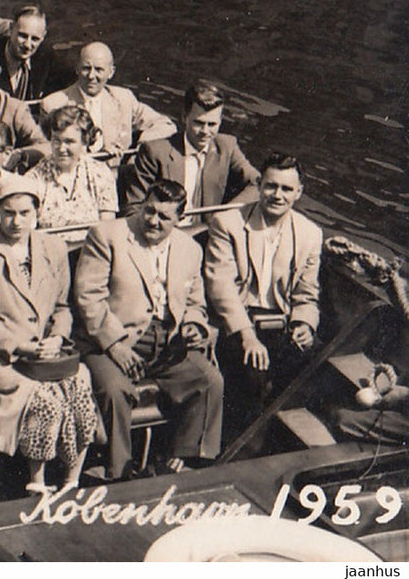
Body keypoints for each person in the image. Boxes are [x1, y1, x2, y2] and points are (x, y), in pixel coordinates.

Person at [0, 175, 97, 492]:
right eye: (9, 213)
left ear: (36, 213)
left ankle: (72, 479)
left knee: (80, 389)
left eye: (25, 213)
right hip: (2, 360)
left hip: (47, 357)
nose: (16, 221)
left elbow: (62, 307)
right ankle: (36, 481)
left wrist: (56, 338)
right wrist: (24, 348)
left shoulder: (53, 247)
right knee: (47, 401)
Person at [74, 179, 224, 480]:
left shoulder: (190, 249)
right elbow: (89, 297)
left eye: (164, 217)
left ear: (179, 219)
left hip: (166, 343)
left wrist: (193, 325)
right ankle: (119, 470)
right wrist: (115, 345)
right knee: (116, 390)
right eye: (149, 211)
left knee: (209, 381)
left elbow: (195, 302)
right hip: (110, 342)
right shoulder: (107, 236)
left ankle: (182, 458)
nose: (153, 221)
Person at [204, 154, 322, 434]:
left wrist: (304, 323)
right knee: (252, 375)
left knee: (317, 367)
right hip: (237, 323)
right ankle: (236, 446)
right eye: (271, 186)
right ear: (259, 186)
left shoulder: (310, 234)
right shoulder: (227, 223)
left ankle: (277, 442)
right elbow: (221, 287)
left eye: (287, 189)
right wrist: (247, 336)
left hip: (281, 324)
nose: (277, 195)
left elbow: (307, 292)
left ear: (299, 193)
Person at [123, 80, 260, 215]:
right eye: (199, 123)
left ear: (220, 121)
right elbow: (133, 207)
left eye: (212, 124)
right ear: (184, 117)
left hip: (211, 230)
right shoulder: (154, 151)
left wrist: (225, 216)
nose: (205, 131)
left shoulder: (227, 146)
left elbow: (258, 183)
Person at [40, 42, 178, 155]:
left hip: (117, 177)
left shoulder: (123, 98)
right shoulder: (54, 104)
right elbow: (47, 149)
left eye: (99, 70)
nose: (91, 76)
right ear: (77, 69)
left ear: (111, 72)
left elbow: (166, 125)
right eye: (86, 68)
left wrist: (142, 144)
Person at [24, 105, 119, 240]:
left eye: (69, 142)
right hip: (50, 252)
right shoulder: (35, 177)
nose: (62, 149)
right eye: (56, 140)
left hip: (92, 251)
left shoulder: (100, 173)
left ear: (84, 141)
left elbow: (108, 228)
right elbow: (28, 231)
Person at [0, 5, 73, 102]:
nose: (27, 45)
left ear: (43, 36)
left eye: (35, 39)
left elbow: (71, 81)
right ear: (11, 29)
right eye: (23, 36)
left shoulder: (46, 55)